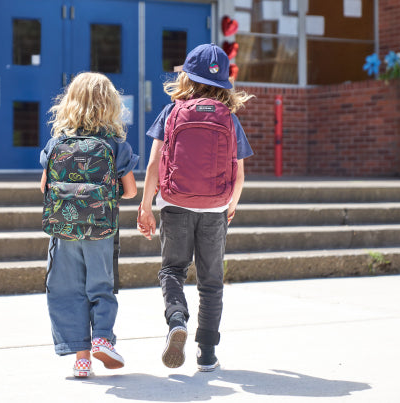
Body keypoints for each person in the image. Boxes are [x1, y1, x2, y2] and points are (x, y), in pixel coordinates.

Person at [136, 43, 254, 371]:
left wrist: (146, 206)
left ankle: (176, 322)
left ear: (187, 77)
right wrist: (231, 203)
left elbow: (154, 165)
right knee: (211, 280)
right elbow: (240, 172)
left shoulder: (173, 111)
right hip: (215, 206)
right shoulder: (228, 118)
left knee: (173, 269)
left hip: (174, 203)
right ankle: (207, 354)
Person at [40, 72, 139, 378]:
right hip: (101, 228)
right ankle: (102, 338)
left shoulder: (57, 142)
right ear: (109, 104)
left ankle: (81, 358)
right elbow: (132, 189)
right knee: (101, 285)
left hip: (64, 229)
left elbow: (44, 186)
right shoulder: (114, 143)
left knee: (66, 287)